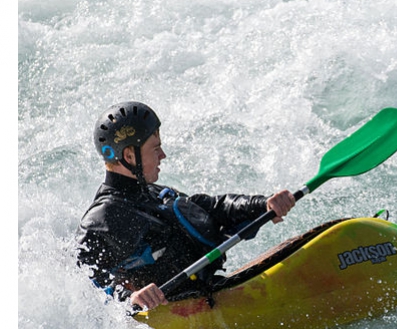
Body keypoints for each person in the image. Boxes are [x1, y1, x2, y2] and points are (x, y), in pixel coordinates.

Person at [76, 101, 295, 310]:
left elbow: (213, 209)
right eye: (156, 148)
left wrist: (261, 205)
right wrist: (128, 297)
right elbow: (81, 282)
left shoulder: (153, 194)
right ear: (130, 156)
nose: (163, 155)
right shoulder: (102, 219)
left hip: (207, 293)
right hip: (171, 321)